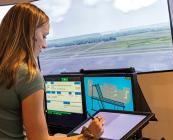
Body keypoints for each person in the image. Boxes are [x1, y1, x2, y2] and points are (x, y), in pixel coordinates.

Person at [0, 3, 104, 140]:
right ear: (29, 33)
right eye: (44, 35)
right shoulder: (27, 75)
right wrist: (88, 136)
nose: (44, 45)